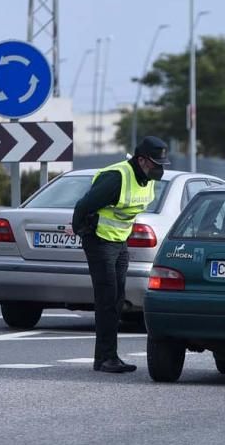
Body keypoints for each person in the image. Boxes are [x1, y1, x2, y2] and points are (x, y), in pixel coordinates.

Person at [71, 137, 169, 373]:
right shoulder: (116, 178)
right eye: (156, 163)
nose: (160, 168)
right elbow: (83, 206)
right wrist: (83, 232)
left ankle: (106, 357)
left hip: (119, 242)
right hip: (100, 241)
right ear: (142, 160)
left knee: (116, 299)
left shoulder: (146, 179)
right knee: (107, 299)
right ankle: (106, 358)